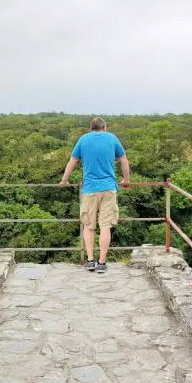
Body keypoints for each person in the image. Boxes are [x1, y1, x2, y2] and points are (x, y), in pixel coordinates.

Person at [60, 117, 130, 273]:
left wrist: (64, 181)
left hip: (90, 190)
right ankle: (102, 263)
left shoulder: (83, 140)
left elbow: (72, 162)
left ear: (91, 128)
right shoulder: (112, 138)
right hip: (109, 189)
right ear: (104, 127)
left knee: (89, 226)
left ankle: (90, 260)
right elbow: (124, 160)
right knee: (106, 226)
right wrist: (126, 180)